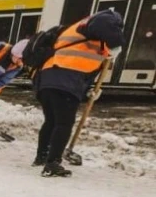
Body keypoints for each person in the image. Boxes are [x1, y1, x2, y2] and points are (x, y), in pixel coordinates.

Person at [33, 10, 125, 177]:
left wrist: (89, 91)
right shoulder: (103, 20)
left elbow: (83, 73)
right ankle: (52, 164)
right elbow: (103, 23)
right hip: (63, 79)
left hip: (48, 78)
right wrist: (117, 43)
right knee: (64, 124)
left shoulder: (87, 39)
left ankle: (42, 157)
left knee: (52, 121)